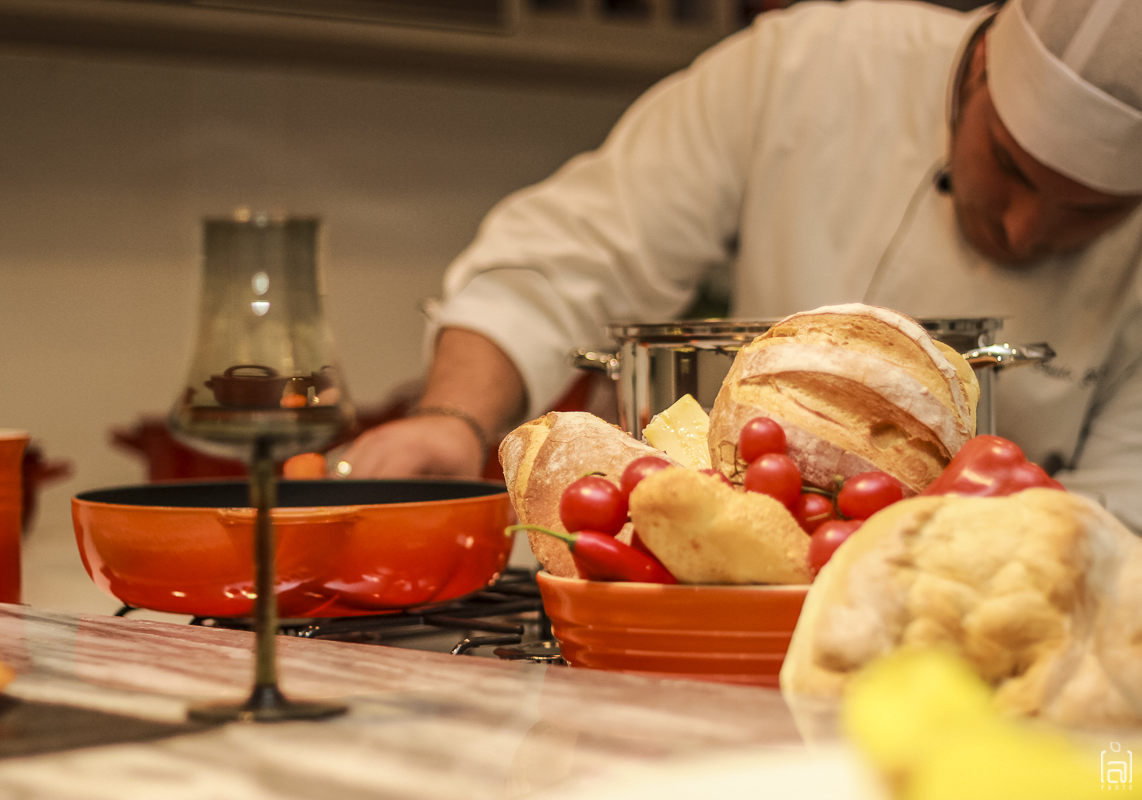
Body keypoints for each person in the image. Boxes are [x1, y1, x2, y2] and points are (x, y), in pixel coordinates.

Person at [345, 0, 1142, 532]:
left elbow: (1122, 516)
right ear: (981, 68)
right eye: (1009, 165)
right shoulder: (805, 69)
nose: (1027, 227)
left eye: (1091, 210)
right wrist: (454, 419)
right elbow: (570, 250)